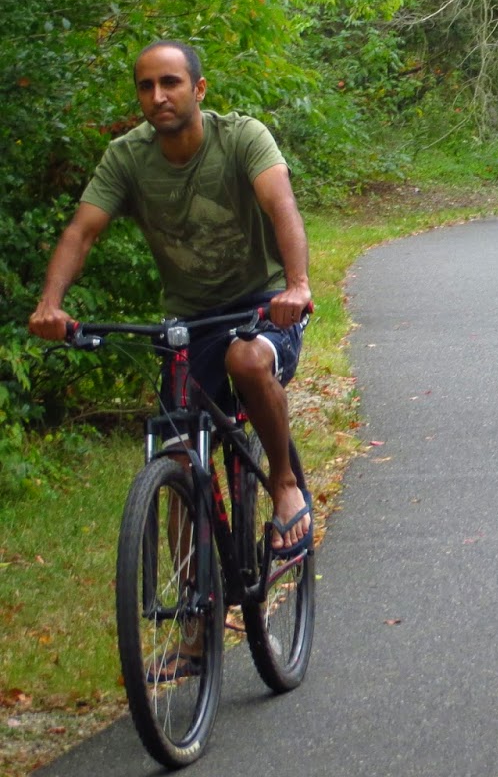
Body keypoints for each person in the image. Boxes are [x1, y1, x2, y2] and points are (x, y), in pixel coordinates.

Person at [28, 41, 315, 561]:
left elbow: (282, 206)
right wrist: (51, 303)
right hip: (190, 319)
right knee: (180, 456)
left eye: (170, 83)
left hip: (263, 302)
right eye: (146, 86)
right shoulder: (127, 157)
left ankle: (284, 482)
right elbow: (81, 232)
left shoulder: (241, 137)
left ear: (198, 89)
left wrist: (297, 285)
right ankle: (191, 602)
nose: (158, 96)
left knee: (247, 360)